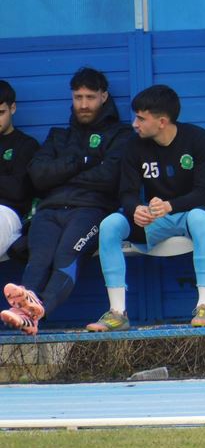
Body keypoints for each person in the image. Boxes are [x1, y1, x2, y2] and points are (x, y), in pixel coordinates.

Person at [1, 68, 131, 335]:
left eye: (90, 97)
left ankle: (37, 311)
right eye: (78, 97)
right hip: (50, 209)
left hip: (91, 210)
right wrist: (82, 162)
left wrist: (60, 175)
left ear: (104, 96)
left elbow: (109, 178)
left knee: (65, 256)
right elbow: (38, 176)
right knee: (39, 259)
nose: (83, 104)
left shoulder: (121, 134)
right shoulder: (58, 136)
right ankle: (26, 312)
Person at [86, 85, 205, 331]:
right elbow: (127, 192)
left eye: (141, 118)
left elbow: (204, 192)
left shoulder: (198, 138)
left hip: (199, 210)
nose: (134, 124)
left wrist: (170, 205)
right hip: (158, 217)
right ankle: (117, 313)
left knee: (198, 218)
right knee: (110, 224)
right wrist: (135, 209)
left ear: (162, 122)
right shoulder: (133, 145)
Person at [0, 80, 39, 258]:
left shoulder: (26, 145)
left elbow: (18, 190)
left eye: (1, 113)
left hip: (8, 214)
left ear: (13, 108)